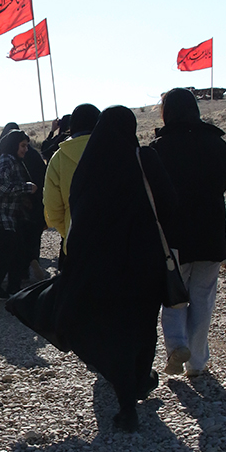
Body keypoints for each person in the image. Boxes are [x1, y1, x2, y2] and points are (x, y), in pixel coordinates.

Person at [54, 106, 176, 432]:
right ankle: (139, 381)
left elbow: (77, 218)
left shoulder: (88, 168)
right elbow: (168, 204)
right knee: (144, 325)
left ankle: (126, 404)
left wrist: (75, 262)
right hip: (145, 261)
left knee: (115, 330)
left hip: (102, 265)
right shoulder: (143, 159)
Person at [150, 88, 226, 377]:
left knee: (174, 295)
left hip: (174, 237)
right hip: (211, 233)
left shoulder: (159, 148)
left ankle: (176, 346)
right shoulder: (215, 141)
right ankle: (197, 362)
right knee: (203, 299)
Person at [43, 104, 100, 266]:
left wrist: (67, 232)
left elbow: (52, 208)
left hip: (75, 240)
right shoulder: (113, 151)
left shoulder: (59, 158)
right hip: (114, 242)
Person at [0, 129, 38, 297]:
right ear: (13, 145)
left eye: (26, 146)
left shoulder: (13, 160)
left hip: (13, 217)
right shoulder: (6, 161)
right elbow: (1, 187)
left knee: (15, 253)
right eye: (22, 145)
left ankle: (11, 289)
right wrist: (27, 187)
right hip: (3, 216)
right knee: (8, 253)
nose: (25, 149)